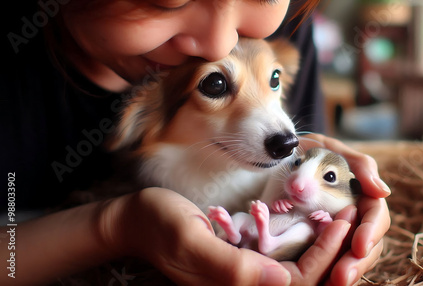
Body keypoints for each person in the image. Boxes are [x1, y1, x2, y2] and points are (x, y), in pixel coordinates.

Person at [0, 0, 391, 285]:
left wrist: (329, 184)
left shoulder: (288, 25)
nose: (220, 41)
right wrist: (113, 227)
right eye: (166, 1)